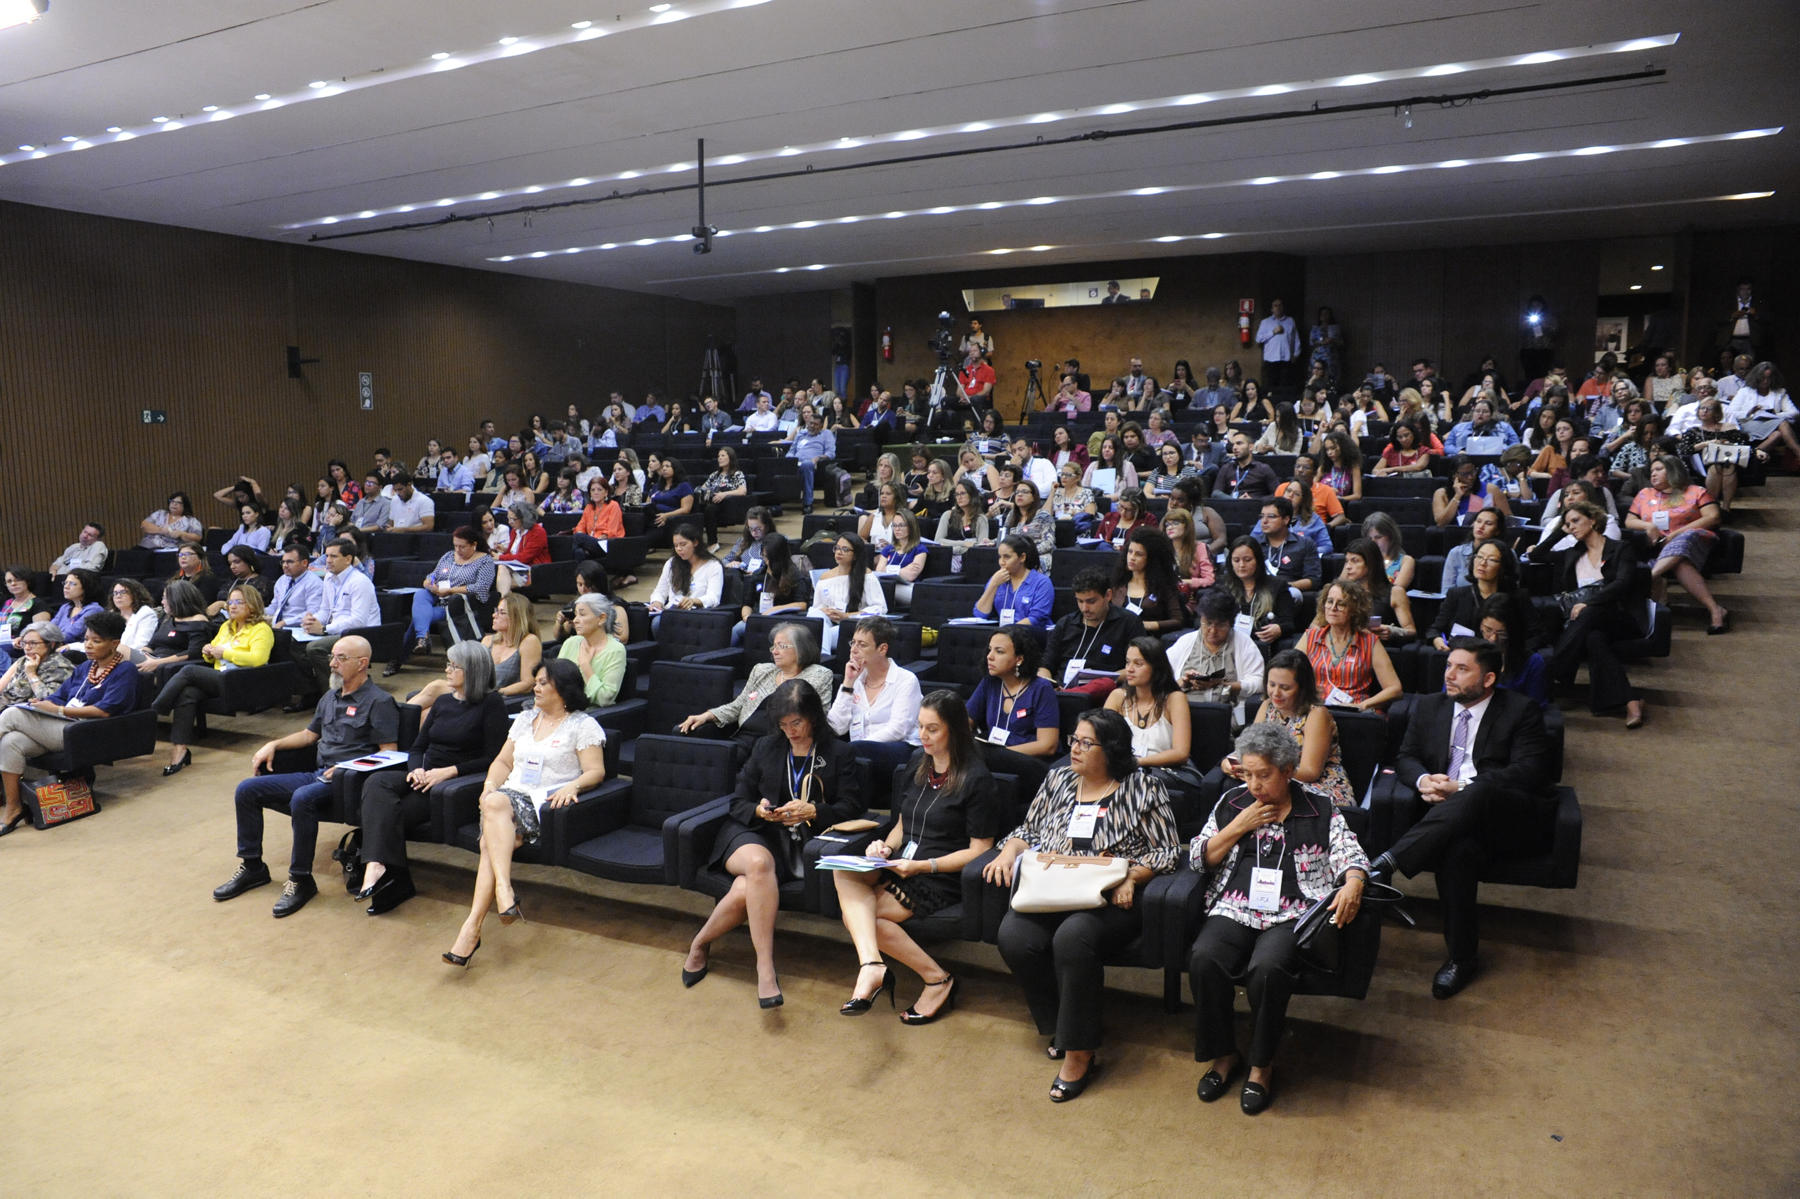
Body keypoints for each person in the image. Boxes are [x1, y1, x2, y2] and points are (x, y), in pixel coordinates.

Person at [986, 708, 1180, 1101]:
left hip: (1111, 897)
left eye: (1085, 743)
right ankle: (1063, 1022)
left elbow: (1169, 852)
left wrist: (1132, 877)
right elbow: (1029, 829)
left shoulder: (1142, 788)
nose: (1074, 748)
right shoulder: (1058, 779)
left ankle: (1079, 1053)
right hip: (1054, 887)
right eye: (1074, 739)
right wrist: (1009, 851)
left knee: (1073, 938)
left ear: (1111, 750)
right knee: (1013, 934)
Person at [1189, 721, 1369, 1114]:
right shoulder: (1233, 803)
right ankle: (1223, 1055)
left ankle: (1260, 1065)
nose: (1254, 784)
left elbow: (1352, 856)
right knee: (1204, 958)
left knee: (1267, 969)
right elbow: (1198, 857)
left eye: (1264, 775)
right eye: (1248, 774)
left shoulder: (1318, 807)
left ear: (1287, 770)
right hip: (1235, 904)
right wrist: (1239, 826)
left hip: (1294, 910)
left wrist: (1354, 880)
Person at [1367, 639, 1552, 998]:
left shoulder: (1521, 711)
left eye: (1461, 668)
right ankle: (1462, 958)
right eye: (1449, 665)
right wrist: (1425, 780)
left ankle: (1388, 863)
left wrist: (1461, 787)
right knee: (1457, 853)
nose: (1449, 674)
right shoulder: (1430, 706)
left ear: (1488, 678)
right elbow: (1406, 757)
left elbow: (1529, 771)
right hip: (1449, 822)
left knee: (1478, 789)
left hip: (1503, 816)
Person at [684, 680, 857, 1006]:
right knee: (759, 865)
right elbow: (738, 802)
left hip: (799, 841)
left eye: (797, 723)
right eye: (783, 724)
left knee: (744, 889)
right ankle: (765, 968)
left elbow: (851, 807)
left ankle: (699, 943)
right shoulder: (766, 747)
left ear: (814, 717)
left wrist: (815, 810)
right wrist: (760, 811)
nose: (790, 731)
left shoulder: (839, 753)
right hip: (753, 834)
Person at [834, 692, 995, 1021]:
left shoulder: (976, 779)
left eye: (932, 729)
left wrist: (922, 865)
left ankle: (937, 979)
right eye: (920, 727)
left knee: (866, 920)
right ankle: (873, 965)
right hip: (901, 863)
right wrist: (885, 847)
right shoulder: (917, 765)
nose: (922, 736)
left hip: (938, 874)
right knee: (842, 872)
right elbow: (902, 824)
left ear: (953, 730)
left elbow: (980, 850)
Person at [212, 635, 398, 917]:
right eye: (331, 657)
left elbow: (389, 752)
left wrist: (352, 767)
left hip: (350, 782)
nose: (333, 664)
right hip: (318, 774)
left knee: (302, 798)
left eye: (341, 658)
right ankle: (253, 867)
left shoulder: (379, 701)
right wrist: (272, 744)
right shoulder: (329, 696)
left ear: (363, 664)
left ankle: (300, 879)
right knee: (247, 790)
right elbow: (309, 735)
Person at [441, 659, 606, 966]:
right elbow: (503, 762)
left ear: (564, 689)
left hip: (545, 801)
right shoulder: (524, 719)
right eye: (536, 682)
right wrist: (489, 785)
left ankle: (475, 924)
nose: (536, 687)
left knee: (489, 837)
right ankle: (491, 908)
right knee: (493, 807)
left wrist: (574, 786)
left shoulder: (582, 725)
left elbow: (595, 771)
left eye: (544, 683)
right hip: (507, 798)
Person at [355, 643, 508, 914]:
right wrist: (415, 769)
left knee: (390, 814)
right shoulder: (444, 701)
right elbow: (417, 747)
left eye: (453, 666)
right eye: (447, 664)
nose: (447, 670)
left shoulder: (491, 704)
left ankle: (390, 878)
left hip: (454, 782)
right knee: (376, 783)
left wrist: (449, 772)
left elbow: (495, 758)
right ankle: (378, 865)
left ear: (472, 670)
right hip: (424, 775)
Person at [0, 612, 138, 838]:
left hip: (89, 731)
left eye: (96, 641)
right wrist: (42, 704)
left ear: (114, 643)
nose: (89, 645)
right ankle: (13, 807)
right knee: (11, 742)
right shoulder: (85, 668)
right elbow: (59, 697)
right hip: (65, 725)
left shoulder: (126, 671)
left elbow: (104, 711)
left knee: (11, 715)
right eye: (86, 640)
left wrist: (59, 710)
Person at [1535, 499, 1644, 727]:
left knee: (1589, 616)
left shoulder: (1620, 548)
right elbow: (1537, 555)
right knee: (1594, 639)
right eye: (1568, 524)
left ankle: (1553, 672)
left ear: (1593, 520)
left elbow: (1623, 583)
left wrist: (1591, 603)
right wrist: (1558, 532)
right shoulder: (1572, 553)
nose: (1571, 527)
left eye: (1576, 521)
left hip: (1619, 616)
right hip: (1585, 623)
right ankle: (1630, 699)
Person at [153, 584, 274, 775]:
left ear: (252, 605)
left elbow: (258, 659)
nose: (232, 606)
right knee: (187, 693)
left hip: (241, 680)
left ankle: (154, 712)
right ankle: (179, 750)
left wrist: (224, 652)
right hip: (220, 677)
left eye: (238, 602)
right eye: (230, 602)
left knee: (189, 671)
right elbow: (213, 650)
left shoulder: (261, 629)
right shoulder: (227, 626)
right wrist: (208, 651)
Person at [1218, 648, 1355, 808]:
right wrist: (1229, 763)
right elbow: (1250, 749)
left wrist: (1263, 771)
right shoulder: (1266, 706)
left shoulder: (1316, 714)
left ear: (1302, 688)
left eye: (1285, 687)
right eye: (1272, 684)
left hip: (1319, 785)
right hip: (1272, 779)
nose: (1275, 693)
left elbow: (1310, 772)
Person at [1626, 456, 1730, 634]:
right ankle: (1715, 609)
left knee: (1684, 539)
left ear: (1673, 470)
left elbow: (1713, 517)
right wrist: (1648, 526)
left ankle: (1650, 576)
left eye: (1659, 469)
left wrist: (1676, 534)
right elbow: (1629, 521)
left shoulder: (1696, 491)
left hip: (1695, 540)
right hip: (1659, 546)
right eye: (1651, 471)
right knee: (1680, 563)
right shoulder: (1645, 494)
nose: (1653, 473)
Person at [828, 616, 924, 797]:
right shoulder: (855, 679)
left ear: (882, 649)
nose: (854, 650)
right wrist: (848, 682)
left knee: (851, 751)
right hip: (860, 750)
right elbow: (836, 726)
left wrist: (856, 746)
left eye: (862, 645)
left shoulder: (906, 680)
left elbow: (898, 730)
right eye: (853, 642)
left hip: (902, 749)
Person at [387, 526, 496, 675]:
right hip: (438, 597)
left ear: (474, 545)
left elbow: (481, 587)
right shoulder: (449, 556)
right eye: (455, 545)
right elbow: (433, 574)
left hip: (458, 605)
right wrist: (428, 582)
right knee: (420, 594)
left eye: (462, 546)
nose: (458, 550)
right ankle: (422, 638)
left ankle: (401, 656)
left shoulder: (485, 561)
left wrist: (451, 590)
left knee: (418, 620)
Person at [290, 537, 379, 706]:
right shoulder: (329, 578)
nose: (328, 561)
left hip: (360, 633)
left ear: (348, 559)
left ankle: (335, 696)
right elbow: (325, 610)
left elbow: (358, 620)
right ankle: (311, 692)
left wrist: (323, 629)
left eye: (333, 556)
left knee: (315, 648)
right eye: (327, 556)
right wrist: (312, 621)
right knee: (290, 642)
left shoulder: (360, 582)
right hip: (337, 630)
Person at [1105, 636, 1200, 794]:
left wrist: (1136, 762)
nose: (1129, 669)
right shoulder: (1117, 696)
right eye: (1128, 662)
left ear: (1156, 667)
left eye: (1138, 664)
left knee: (1132, 781)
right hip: (1123, 771)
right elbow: (1101, 740)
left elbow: (1181, 753)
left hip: (1163, 774)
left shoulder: (1174, 699)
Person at [1301, 580, 1403, 711]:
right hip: (1315, 709)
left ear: (1354, 610)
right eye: (1330, 601)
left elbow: (1395, 689)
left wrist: (1363, 705)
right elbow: (1289, 674)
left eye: (1341, 604)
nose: (1333, 608)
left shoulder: (1369, 642)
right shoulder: (1310, 637)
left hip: (1353, 712)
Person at [1042, 570, 1145, 697]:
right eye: (1080, 601)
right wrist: (1048, 685)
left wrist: (1104, 680)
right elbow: (1045, 666)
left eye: (1091, 601)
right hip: (1060, 692)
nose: (1085, 608)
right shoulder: (1065, 623)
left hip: (1104, 692)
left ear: (1108, 595)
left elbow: (1138, 666)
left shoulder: (1128, 622)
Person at [1166, 588, 1266, 709]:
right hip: (1184, 710)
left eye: (1220, 625)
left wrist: (1224, 685)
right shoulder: (1186, 642)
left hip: (1227, 712)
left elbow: (1260, 682)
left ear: (1230, 624)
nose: (1213, 631)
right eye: (1208, 623)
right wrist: (1183, 681)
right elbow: (1161, 677)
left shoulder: (1243, 643)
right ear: (1201, 620)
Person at [1430, 540, 1524, 652]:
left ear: (1503, 567)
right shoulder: (1456, 594)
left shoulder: (1517, 597)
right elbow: (1435, 629)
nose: (1482, 563)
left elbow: (1535, 636)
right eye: (1479, 557)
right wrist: (1437, 640)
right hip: (1462, 657)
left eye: (1491, 560)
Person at [809, 533, 886, 656]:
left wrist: (846, 616)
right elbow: (817, 609)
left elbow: (879, 609)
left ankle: (823, 655)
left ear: (855, 555)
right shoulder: (825, 577)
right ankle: (824, 655)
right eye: (837, 548)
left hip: (854, 628)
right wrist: (826, 612)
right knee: (813, 612)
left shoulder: (866, 575)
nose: (839, 552)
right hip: (829, 627)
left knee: (819, 638)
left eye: (845, 549)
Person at [1220, 535, 1295, 650]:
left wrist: (1279, 629)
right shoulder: (1222, 586)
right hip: (1229, 645)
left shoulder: (1277, 586)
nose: (1241, 565)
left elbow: (1289, 623)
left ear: (1258, 560)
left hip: (1264, 646)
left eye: (1247, 560)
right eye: (1236, 560)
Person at [1111, 528, 1189, 636]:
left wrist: (1143, 625)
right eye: (1130, 552)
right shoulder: (1117, 583)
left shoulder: (1164, 587)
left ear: (1152, 559)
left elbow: (1178, 621)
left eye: (1139, 554)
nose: (1132, 558)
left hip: (1148, 641)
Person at [1477, 593, 1550, 708]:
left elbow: (1536, 707)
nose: (1493, 639)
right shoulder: (1469, 656)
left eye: (1502, 633)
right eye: (1488, 630)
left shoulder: (1532, 663)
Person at [557, 593, 627, 707]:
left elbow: (605, 699)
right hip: (558, 708)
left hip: (587, 714)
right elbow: (554, 681)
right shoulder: (571, 642)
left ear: (601, 618)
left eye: (582, 614)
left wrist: (585, 666)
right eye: (575, 615)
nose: (575, 620)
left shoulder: (615, 650)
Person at [1340, 537, 1416, 642]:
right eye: (1347, 561)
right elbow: (1316, 625)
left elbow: (1411, 631)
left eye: (1355, 561)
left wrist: (1392, 631)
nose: (1348, 566)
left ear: (1370, 563)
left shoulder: (1395, 592)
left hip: (1377, 649)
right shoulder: (1342, 592)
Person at [972, 535, 1053, 627]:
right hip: (1002, 634)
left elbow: (1036, 619)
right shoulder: (998, 579)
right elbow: (980, 615)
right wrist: (993, 585)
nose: (1001, 562)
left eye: (1007, 557)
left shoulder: (1041, 582)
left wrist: (1007, 633)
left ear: (1022, 557)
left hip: (1029, 635)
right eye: (1000, 557)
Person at [1728, 362, 1800, 460]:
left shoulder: (1780, 392)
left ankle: (1751, 455)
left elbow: (1795, 413)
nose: (1765, 381)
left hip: (1772, 423)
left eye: (1769, 378)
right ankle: (1798, 452)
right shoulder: (1745, 392)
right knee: (1783, 424)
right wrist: (1749, 413)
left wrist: (1775, 415)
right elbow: (1730, 412)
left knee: (1778, 434)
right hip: (1749, 423)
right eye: (1762, 378)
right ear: (1756, 378)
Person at [0, 623, 73, 706]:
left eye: (33, 643)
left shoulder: (61, 667)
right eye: (24, 643)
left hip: (28, 712)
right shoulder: (24, 660)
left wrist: (31, 674)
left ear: (51, 644)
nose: (27, 648)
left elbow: (48, 700)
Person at [786, 410, 837, 514]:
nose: (812, 426)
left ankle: (807, 504)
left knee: (807, 465)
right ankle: (776, 504)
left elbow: (831, 453)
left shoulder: (826, 434)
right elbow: (791, 451)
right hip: (795, 463)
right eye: (810, 423)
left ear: (821, 426)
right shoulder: (801, 434)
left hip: (813, 465)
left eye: (816, 424)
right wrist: (790, 459)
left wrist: (817, 458)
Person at [875, 510, 928, 608]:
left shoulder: (920, 549)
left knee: (883, 588)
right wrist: (900, 571)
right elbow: (879, 572)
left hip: (910, 588)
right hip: (888, 586)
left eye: (901, 525)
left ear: (911, 527)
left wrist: (888, 569)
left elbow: (911, 575)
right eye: (894, 525)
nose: (897, 529)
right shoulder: (888, 549)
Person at [696, 447, 748, 545]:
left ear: (731, 458)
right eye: (718, 456)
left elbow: (742, 491)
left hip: (727, 503)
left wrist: (724, 494)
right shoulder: (714, 474)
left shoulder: (737, 474)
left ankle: (713, 543)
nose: (719, 458)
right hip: (711, 500)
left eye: (723, 455)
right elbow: (703, 488)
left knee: (710, 509)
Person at [1214, 433, 1281, 499]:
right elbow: (1216, 493)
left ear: (1250, 447)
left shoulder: (1263, 469)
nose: (1234, 447)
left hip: (1257, 507)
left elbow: (1277, 494)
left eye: (1239, 443)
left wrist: (1255, 500)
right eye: (1233, 445)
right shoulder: (1226, 468)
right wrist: (1235, 500)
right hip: (1232, 507)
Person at [1081, 434, 1139, 502]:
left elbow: (1133, 492)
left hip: (1119, 505)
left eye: (1110, 447)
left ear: (1117, 450)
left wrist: (1117, 496)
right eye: (1104, 447)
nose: (1106, 450)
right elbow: (1083, 488)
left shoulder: (1128, 466)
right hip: (1094, 503)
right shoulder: (1093, 465)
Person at [106, 579, 158, 653]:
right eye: (115, 593)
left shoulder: (145, 613)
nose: (118, 596)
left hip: (133, 656)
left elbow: (140, 645)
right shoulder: (111, 615)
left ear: (135, 594)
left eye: (123, 592)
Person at [139, 492, 203, 549]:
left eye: (178, 502)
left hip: (171, 550)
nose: (174, 504)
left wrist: (182, 534)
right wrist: (160, 530)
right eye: (172, 501)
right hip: (147, 547)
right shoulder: (160, 513)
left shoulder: (191, 520)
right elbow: (144, 525)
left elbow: (198, 537)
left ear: (185, 506)